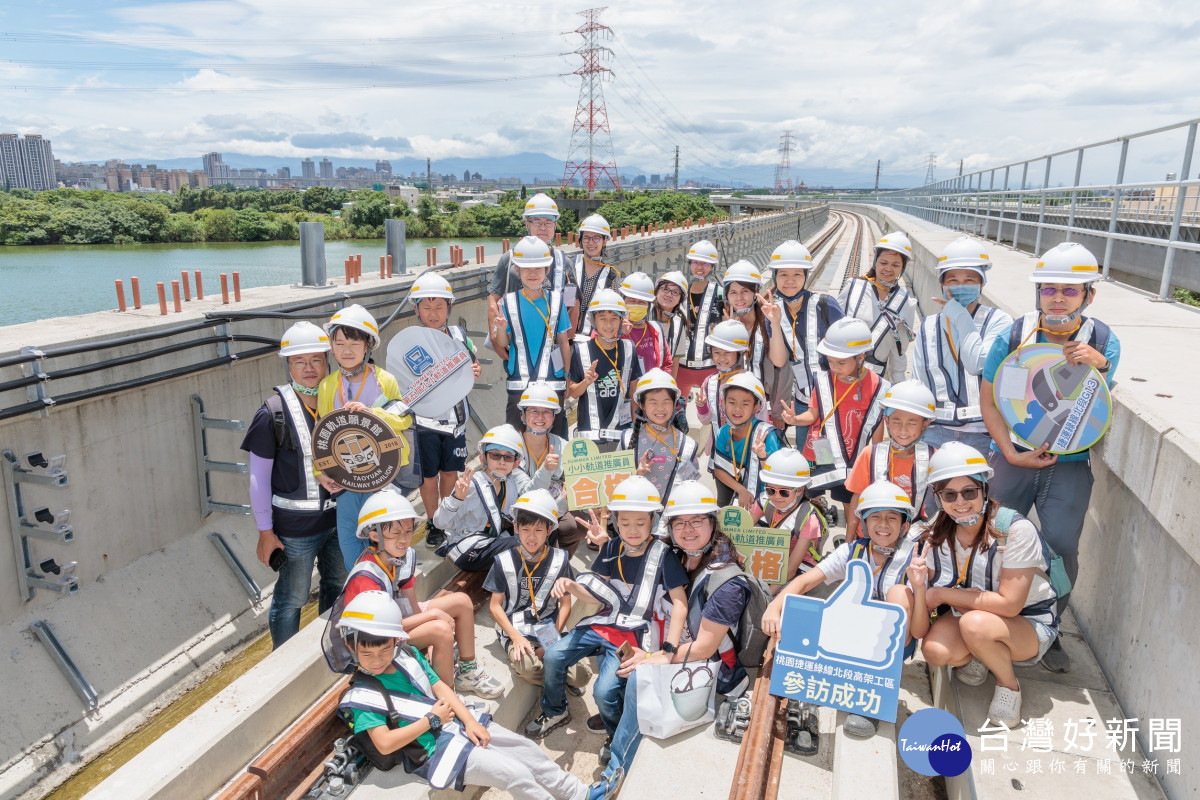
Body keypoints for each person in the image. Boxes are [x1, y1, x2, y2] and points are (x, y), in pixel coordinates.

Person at [979, 241, 1120, 674]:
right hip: (1013, 457)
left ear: (1089, 296)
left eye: (1070, 290)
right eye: (1049, 289)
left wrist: (1099, 368)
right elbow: (988, 398)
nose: (1057, 298)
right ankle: (984, 622)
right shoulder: (1016, 333)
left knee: (1060, 546)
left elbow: (1096, 409)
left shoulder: (1102, 341)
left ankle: (1047, 626)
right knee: (992, 537)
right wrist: (1009, 453)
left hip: (1069, 465)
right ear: (1037, 292)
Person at [333, 591, 588, 800]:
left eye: (384, 650)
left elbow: (439, 687)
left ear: (395, 641)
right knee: (514, 773)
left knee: (526, 750)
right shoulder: (363, 696)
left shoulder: (407, 654)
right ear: (350, 646)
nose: (377, 660)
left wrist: (470, 721)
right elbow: (385, 743)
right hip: (433, 751)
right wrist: (431, 720)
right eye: (366, 654)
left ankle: (578, 793)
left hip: (454, 725)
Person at [588, 480, 755, 799]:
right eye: (680, 522)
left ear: (712, 522)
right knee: (609, 673)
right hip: (672, 642)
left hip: (710, 668)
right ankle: (622, 726)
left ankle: (615, 771)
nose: (688, 529)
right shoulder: (677, 553)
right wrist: (607, 542)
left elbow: (705, 647)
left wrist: (650, 658)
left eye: (696, 521)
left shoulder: (726, 580)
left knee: (638, 678)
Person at [526, 476, 689, 753]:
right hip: (602, 623)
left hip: (634, 635)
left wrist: (670, 650)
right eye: (624, 523)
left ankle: (615, 733)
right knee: (553, 655)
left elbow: (680, 603)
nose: (632, 530)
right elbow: (598, 594)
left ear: (653, 521)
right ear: (615, 521)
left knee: (604, 693)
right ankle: (555, 709)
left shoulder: (664, 555)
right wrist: (574, 586)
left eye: (640, 523)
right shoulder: (612, 547)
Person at [762, 480, 929, 739]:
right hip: (850, 635)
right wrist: (774, 606)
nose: (883, 525)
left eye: (892, 518)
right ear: (862, 522)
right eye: (875, 517)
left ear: (905, 525)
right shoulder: (853, 550)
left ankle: (871, 699)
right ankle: (816, 683)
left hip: (886, 648)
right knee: (816, 606)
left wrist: (918, 588)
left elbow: (918, 631)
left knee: (899, 592)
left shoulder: (914, 560)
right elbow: (807, 580)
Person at [913, 443, 1060, 728]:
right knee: (935, 651)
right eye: (949, 494)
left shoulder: (1015, 530)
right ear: (937, 496)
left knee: (975, 626)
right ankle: (982, 653)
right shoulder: (937, 530)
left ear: (984, 488)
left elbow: (1010, 604)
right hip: (972, 614)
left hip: (1027, 623)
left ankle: (1009, 686)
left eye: (969, 492)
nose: (960, 502)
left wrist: (940, 593)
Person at [337, 489, 502, 698]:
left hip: (398, 621)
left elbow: (411, 604)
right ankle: (445, 698)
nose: (404, 539)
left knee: (461, 601)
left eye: (407, 531)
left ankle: (467, 671)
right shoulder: (366, 577)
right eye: (395, 533)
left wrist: (423, 622)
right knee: (440, 630)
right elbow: (379, 630)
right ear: (373, 535)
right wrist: (431, 619)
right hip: (378, 639)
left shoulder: (402, 557)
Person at [241, 321, 346, 648]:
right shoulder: (272, 413)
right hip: (296, 530)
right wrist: (265, 533)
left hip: (338, 521)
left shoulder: (338, 399)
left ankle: (328, 651)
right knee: (292, 599)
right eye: (299, 362)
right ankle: (282, 662)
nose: (309, 369)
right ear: (288, 365)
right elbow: (258, 478)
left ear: (327, 361)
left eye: (316, 360)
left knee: (338, 586)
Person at [316, 304, 415, 571]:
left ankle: (395, 595)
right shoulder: (327, 385)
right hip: (346, 478)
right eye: (339, 343)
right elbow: (321, 434)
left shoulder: (386, 380)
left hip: (383, 477)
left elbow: (405, 419)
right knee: (350, 541)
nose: (346, 351)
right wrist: (320, 472)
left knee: (389, 540)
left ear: (368, 345)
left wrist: (374, 414)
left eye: (354, 343)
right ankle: (361, 592)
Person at [783, 317, 890, 528]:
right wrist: (795, 419)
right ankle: (812, 536)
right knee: (811, 495)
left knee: (851, 500)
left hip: (855, 458)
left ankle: (854, 537)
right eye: (830, 361)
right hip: (820, 452)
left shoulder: (878, 386)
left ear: (861, 357)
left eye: (841, 363)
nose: (835, 367)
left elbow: (877, 427)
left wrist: (876, 459)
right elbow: (813, 414)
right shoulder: (823, 381)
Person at [912, 236, 1013, 452]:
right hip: (936, 432)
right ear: (942, 284)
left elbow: (976, 362)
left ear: (982, 284)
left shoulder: (999, 321)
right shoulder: (928, 326)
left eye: (969, 280)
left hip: (985, 432)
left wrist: (959, 315)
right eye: (953, 280)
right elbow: (920, 380)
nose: (961, 286)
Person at [485, 489, 588, 691]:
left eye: (539, 530)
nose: (532, 537)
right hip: (517, 630)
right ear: (516, 527)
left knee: (582, 677)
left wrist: (550, 641)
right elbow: (495, 606)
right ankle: (557, 676)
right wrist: (515, 636)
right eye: (526, 529)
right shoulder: (503, 560)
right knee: (531, 670)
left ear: (549, 530)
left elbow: (565, 605)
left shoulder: (560, 559)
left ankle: (555, 670)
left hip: (550, 627)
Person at [408, 273, 482, 552]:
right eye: (426, 307)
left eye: (439, 307)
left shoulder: (459, 335)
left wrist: (475, 370)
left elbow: (473, 365)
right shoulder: (409, 342)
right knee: (428, 478)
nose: (433, 314)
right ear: (416, 309)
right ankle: (432, 521)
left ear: (449, 308)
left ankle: (447, 520)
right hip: (424, 423)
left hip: (455, 422)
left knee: (450, 473)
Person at [764, 239, 845, 448]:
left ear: (805, 276)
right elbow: (780, 361)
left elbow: (848, 352)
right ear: (775, 277)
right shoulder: (774, 311)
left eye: (797, 274)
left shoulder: (826, 306)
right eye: (783, 275)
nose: (790, 281)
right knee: (810, 454)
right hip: (804, 402)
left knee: (836, 453)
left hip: (835, 397)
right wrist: (774, 322)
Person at [492, 235, 573, 438]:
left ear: (547, 270)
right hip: (519, 385)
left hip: (554, 383)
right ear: (517, 271)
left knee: (553, 439)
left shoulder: (557, 300)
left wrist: (569, 377)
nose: (533, 273)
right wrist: (501, 329)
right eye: (526, 269)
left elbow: (564, 342)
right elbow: (504, 344)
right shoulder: (507, 302)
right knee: (516, 439)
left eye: (539, 268)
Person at [844, 379, 938, 539]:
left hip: (912, 539)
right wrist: (848, 543)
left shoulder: (934, 458)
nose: (903, 430)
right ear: (886, 420)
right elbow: (856, 498)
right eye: (896, 421)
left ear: (925, 424)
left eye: (912, 423)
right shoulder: (869, 455)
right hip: (870, 537)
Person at [434, 425, 531, 571]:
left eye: (508, 457)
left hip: (492, 541)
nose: (502, 462)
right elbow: (439, 522)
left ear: (516, 463)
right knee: (522, 544)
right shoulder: (470, 485)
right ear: (482, 458)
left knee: (539, 529)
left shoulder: (509, 483)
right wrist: (456, 498)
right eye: (495, 455)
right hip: (469, 548)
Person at [837, 232, 919, 383]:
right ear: (875, 262)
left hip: (873, 382)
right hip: (839, 375)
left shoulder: (906, 302)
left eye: (895, 265)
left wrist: (897, 389)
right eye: (883, 262)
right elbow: (832, 329)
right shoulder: (853, 287)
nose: (888, 269)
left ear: (902, 267)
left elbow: (898, 354)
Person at [487, 192, 570, 337]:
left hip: (552, 343)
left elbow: (571, 304)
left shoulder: (564, 262)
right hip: (515, 343)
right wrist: (496, 340)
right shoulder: (510, 259)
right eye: (537, 222)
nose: (542, 227)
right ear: (527, 224)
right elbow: (493, 300)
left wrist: (566, 341)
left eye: (548, 222)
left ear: (555, 225)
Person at [568, 289, 642, 450]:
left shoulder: (629, 349)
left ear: (621, 320)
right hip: (589, 435)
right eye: (602, 319)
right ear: (593, 321)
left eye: (614, 319)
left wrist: (636, 430)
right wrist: (585, 382)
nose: (608, 325)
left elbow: (634, 394)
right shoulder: (582, 351)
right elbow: (572, 392)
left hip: (621, 434)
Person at [517, 381, 583, 554]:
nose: (540, 417)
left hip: (555, 506)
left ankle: (558, 561)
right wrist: (546, 469)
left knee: (577, 524)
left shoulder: (562, 445)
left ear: (554, 416)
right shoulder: (512, 446)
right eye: (534, 411)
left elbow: (578, 483)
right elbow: (524, 494)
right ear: (522, 415)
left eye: (547, 412)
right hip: (520, 510)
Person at [620, 369, 700, 507]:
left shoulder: (687, 445)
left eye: (666, 402)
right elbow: (615, 485)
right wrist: (636, 475)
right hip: (637, 521)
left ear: (675, 403)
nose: (660, 408)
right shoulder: (626, 440)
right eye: (653, 402)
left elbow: (693, 487)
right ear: (642, 405)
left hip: (673, 523)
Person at [711, 372, 782, 509]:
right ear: (724, 403)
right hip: (739, 489)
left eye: (745, 404)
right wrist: (741, 490)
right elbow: (718, 469)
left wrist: (762, 456)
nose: (737, 409)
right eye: (732, 402)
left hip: (767, 496)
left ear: (756, 408)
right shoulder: (724, 432)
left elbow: (776, 475)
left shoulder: (766, 435)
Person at [755, 448, 826, 583]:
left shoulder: (809, 519)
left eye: (784, 492)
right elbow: (743, 529)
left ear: (799, 490)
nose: (776, 497)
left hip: (798, 568)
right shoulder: (764, 500)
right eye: (770, 490)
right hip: (771, 558)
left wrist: (767, 596)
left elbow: (791, 571)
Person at [676, 239, 725, 400]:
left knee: (713, 413)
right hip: (681, 367)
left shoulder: (720, 294)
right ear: (689, 264)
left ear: (712, 267)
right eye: (695, 262)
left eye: (705, 263)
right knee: (677, 412)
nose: (699, 267)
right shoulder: (680, 293)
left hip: (710, 366)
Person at [694, 319, 754, 448]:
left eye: (727, 352)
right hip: (718, 449)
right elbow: (705, 421)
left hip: (745, 450)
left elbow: (760, 420)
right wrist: (702, 406)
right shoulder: (709, 383)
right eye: (716, 352)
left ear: (741, 352)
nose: (721, 358)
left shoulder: (750, 383)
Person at [570, 214, 620, 340]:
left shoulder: (611, 276)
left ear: (604, 241)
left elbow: (612, 312)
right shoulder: (569, 266)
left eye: (596, 238)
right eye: (586, 238)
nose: (591, 243)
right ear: (580, 240)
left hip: (594, 340)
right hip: (565, 338)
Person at [721, 260, 770, 384]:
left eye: (745, 291)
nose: (739, 298)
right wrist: (730, 332)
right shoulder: (725, 326)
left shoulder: (768, 323)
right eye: (733, 292)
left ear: (756, 292)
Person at [618, 272, 673, 375]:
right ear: (622, 301)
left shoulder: (655, 329)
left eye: (642, 302)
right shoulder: (610, 329)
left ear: (648, 306)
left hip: (649, 389)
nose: (636, 304)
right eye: (631, 300)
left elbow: (666, 364)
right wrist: (619, 334)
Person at [652, 270, 689, 376]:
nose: (669, 295)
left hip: (661, 379)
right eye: (665, 289)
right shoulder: (645, 315)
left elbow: (674, 363)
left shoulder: (679, 324)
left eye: (675, 292)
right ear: (657, 291)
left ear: (680, 299)